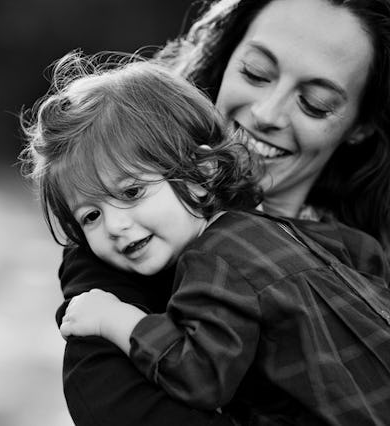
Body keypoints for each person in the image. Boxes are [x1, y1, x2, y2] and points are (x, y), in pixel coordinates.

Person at [55, 0, 390, 425]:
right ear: (224, 56)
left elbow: (198, 371)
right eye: (255, 73)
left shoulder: (226, 250)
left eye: (315, 103)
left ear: (360, 124)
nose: (267, 115)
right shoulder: (126, 241)